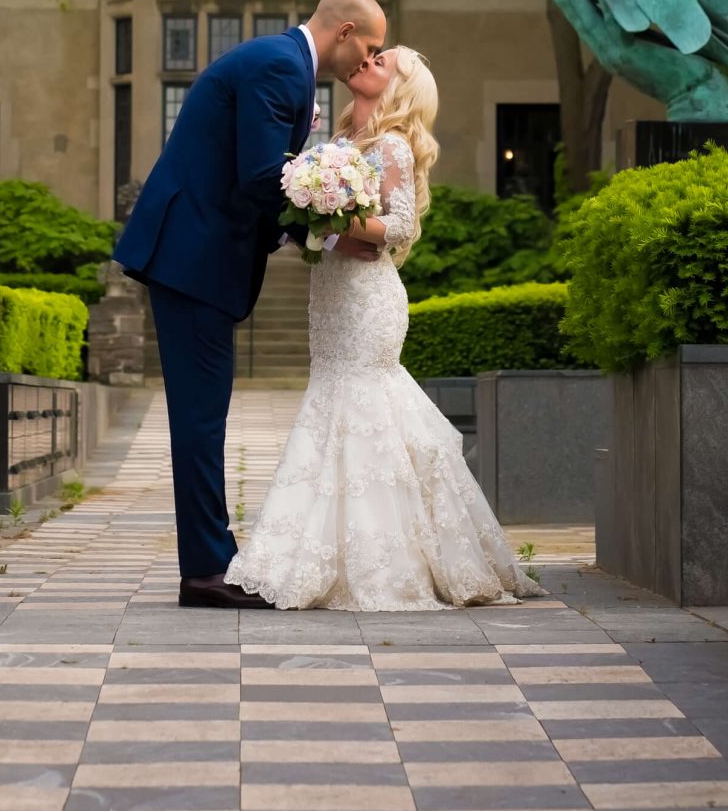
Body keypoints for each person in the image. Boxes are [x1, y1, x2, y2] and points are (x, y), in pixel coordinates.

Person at [226, 46, 542, 610]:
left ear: (395, 87)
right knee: (335, 401)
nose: (365, 62)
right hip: (332, 295)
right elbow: (320, 226)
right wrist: (313, 217)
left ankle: (388, 562)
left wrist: (332, 215)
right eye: (369, 55)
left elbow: (399, 225)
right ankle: (323, 552)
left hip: (368, 302)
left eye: (379, 62)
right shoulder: (339, 146)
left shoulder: (391, 144)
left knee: (364, 401)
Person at [114, 0, 386, 608]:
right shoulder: (279, 66)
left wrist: (314, 214)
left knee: (203, 418)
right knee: (201, 419)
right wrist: (331, 221)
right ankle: (207, 571)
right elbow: (264, 177)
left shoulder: (284, 66)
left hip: (198, 257)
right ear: (344, 32)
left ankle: (210, 562)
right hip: (192, 257)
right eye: (368, 47)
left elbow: (265, 175)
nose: (367, 62)